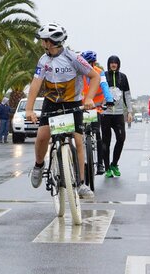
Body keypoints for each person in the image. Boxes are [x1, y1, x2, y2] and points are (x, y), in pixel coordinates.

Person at [25, 23, 100, 199]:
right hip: (52, 103)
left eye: (44, 40)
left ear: (51, 42)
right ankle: (38, 165)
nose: (42, 43)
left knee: (78, 141)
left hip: (73, 103)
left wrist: (89, 99)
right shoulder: (43, 60)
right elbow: (35, 85)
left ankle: (81, 183)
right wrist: (29, 109)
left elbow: (95, 76)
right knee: (42, 137)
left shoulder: (73, 58)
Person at [102, 55, 133, 177]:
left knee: (121, 139)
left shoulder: (123, 77)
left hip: (119, 114)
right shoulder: (103, 76)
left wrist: (129, 111)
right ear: (108, 64)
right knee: (106, 142)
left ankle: (114, 164)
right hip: (105, 114)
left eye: (116, 62)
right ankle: (107, 168)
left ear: (118, 64)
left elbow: (127, 95)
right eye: (111, 62)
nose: (113, 64)